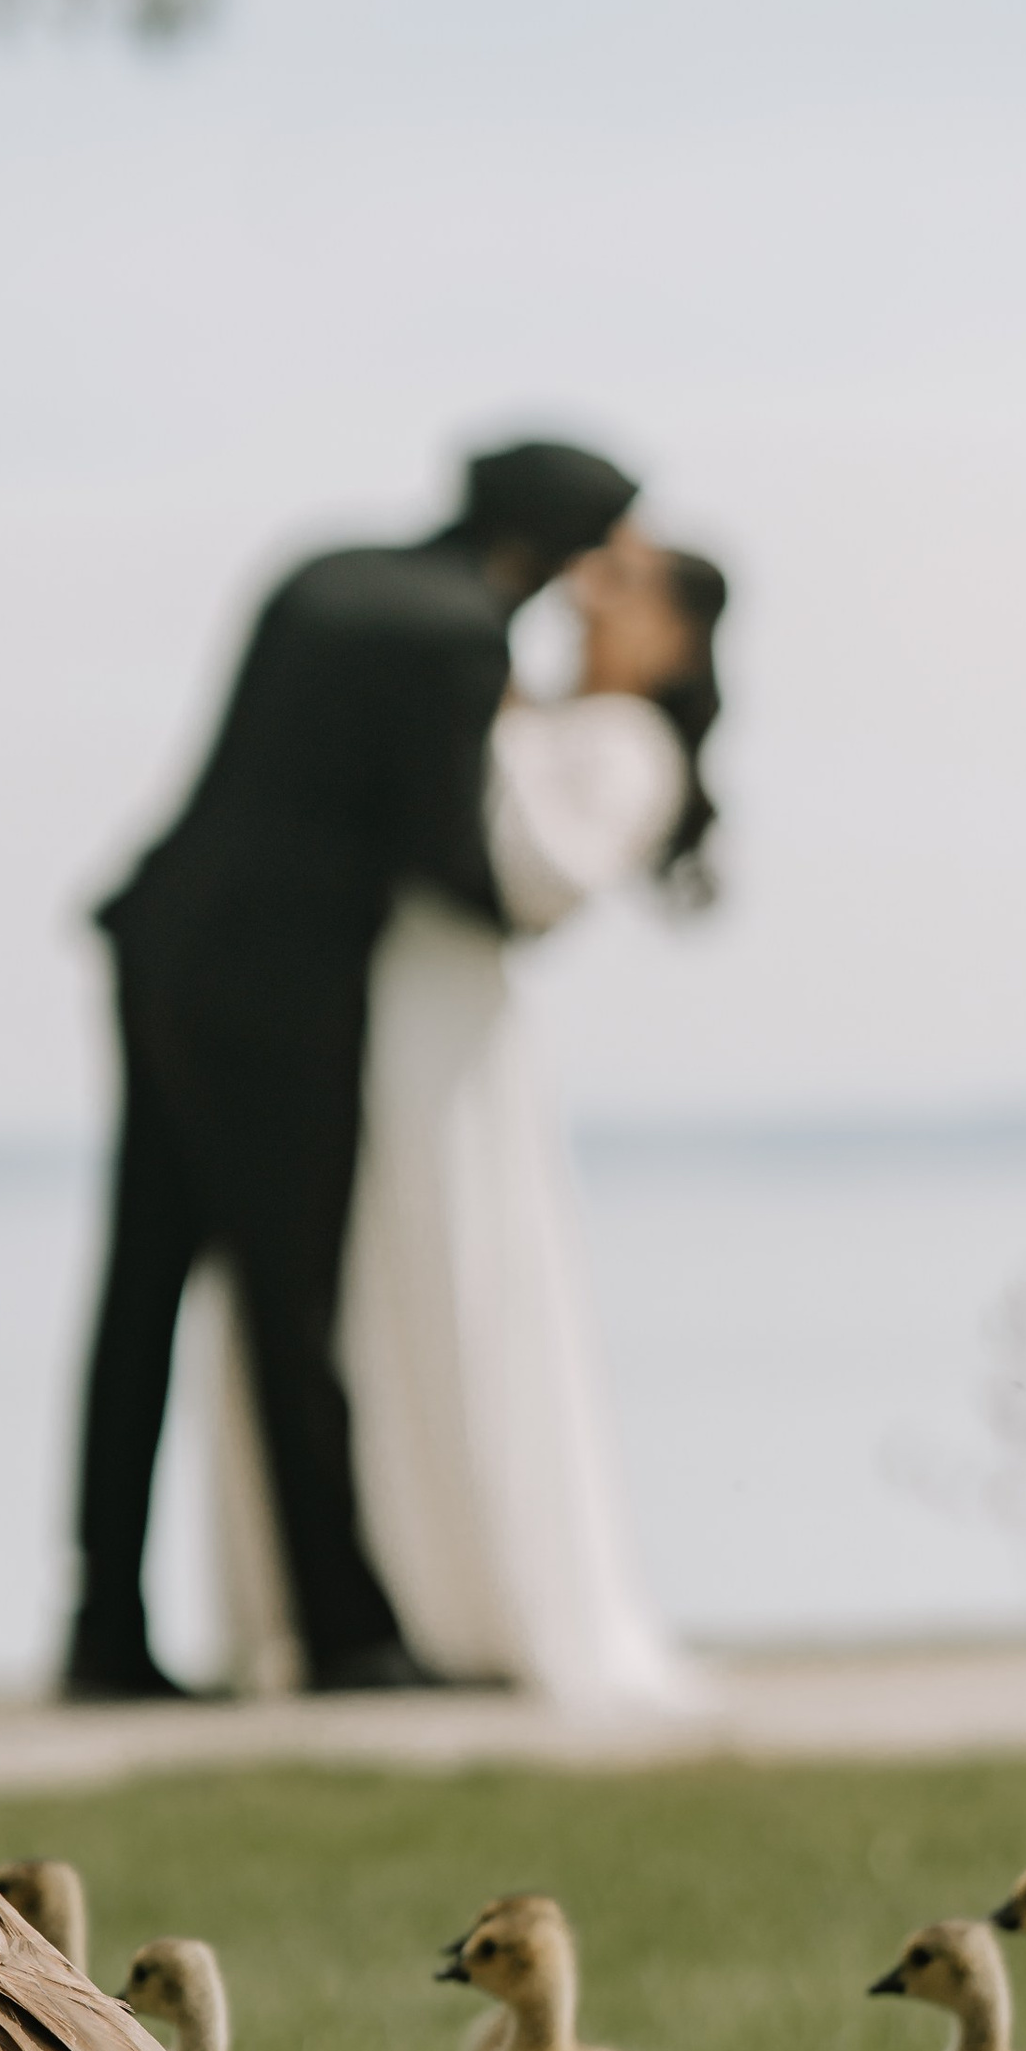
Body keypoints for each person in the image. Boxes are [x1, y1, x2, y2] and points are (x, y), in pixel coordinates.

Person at [62, 440, 641, 1701]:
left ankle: (102, 1623)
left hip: (162, 933)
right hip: (280, 986)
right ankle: (343, 1632)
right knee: (291, 1299)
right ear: (549, 548)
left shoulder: (322, 570)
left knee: (142, 1290)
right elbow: (445, 855)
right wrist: (544, 894)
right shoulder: (455, 638)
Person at [195, 528, 729, 1711]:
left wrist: (470, 728)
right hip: (389, 1008)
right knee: (379, 1291)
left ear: (675, 635)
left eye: (626, 583)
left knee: (455, 1280)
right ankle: (370, 1587)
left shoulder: (630, 747)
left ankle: (469, 1589)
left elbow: (530, 876)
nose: (589, 593)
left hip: (450, 1038)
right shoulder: (528, 709)